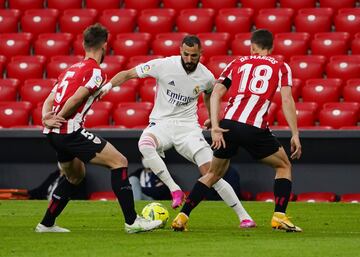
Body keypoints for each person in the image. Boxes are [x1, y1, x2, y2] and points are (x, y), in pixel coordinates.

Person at [100, 35, 256, 228]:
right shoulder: (163, 65)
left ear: (201, 54)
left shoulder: (206, 76)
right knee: (144, 145)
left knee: (212, 173)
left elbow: (209, 97)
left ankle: (244, 217)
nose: (189, 59)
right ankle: (175, 189)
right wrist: (107, 86)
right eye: (186, 54)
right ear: (180, 51)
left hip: (188, 128)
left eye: (194, 56)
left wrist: (211, 119)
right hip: (162, 124)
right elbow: (127, 73)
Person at [35, 23, 162, 233]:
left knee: (75, 176)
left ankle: (46, 223)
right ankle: (132, 222)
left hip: (53, 133)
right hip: (70, 131)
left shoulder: (70, 70)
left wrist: (46, 119)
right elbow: (78, 97)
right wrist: (60, 117)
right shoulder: (96, 72)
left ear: (84, 44)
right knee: (119, 162)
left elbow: (49, 98)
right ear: (105, 45)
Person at [171, 29, 302, 232]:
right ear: (271, 47)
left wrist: (215, 125)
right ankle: (279, 216)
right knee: (284, 166)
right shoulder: (281, 67)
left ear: (252, 47)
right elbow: (286, 100)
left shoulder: (237, 63)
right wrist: (295, 133)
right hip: (255, 128)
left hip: (228, 125)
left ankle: (182, 216)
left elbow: (216, 93)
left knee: (213, 173)